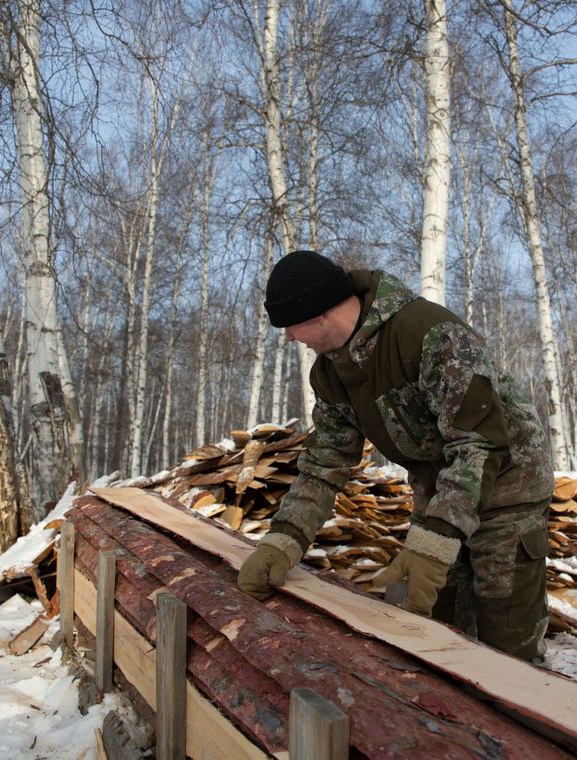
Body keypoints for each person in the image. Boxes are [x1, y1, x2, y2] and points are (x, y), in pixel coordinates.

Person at [237, 250, 554, 662]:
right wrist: (284, 540)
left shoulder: (430, 335)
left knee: (507, 639)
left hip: (508, 488)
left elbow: (478, 444)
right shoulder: (332, 372)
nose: (291, 338)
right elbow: (324, 463)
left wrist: (435, 543)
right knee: (441, 631)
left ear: (319, 315)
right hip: (441, 489)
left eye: (291, 327)